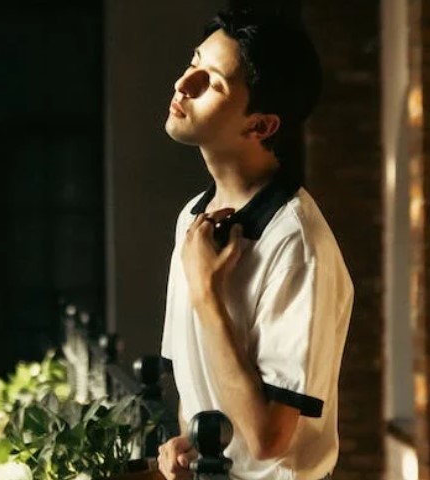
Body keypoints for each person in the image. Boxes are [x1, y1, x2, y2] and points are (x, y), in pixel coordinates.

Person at [157, 9, 353, 480]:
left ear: (261, 126)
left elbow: (268, 442)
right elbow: (197, 384)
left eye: (212, 82)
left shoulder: (297, 243)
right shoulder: (193, 218)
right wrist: (191, 443)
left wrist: (207, 293)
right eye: (193, 62)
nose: (183, 84)